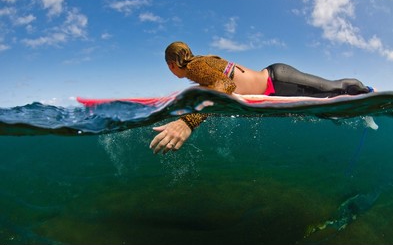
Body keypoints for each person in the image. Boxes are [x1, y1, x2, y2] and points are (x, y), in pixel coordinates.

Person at [149, 41, 373, 154]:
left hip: (277, 80)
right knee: (325, 107)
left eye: (168, 67)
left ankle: (367, 93)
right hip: (273, 88)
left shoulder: (195, 66)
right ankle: (361, 105)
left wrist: (188, 121)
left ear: (171, 64)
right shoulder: (200, 65)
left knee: (334, 89)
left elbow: (226, 85)